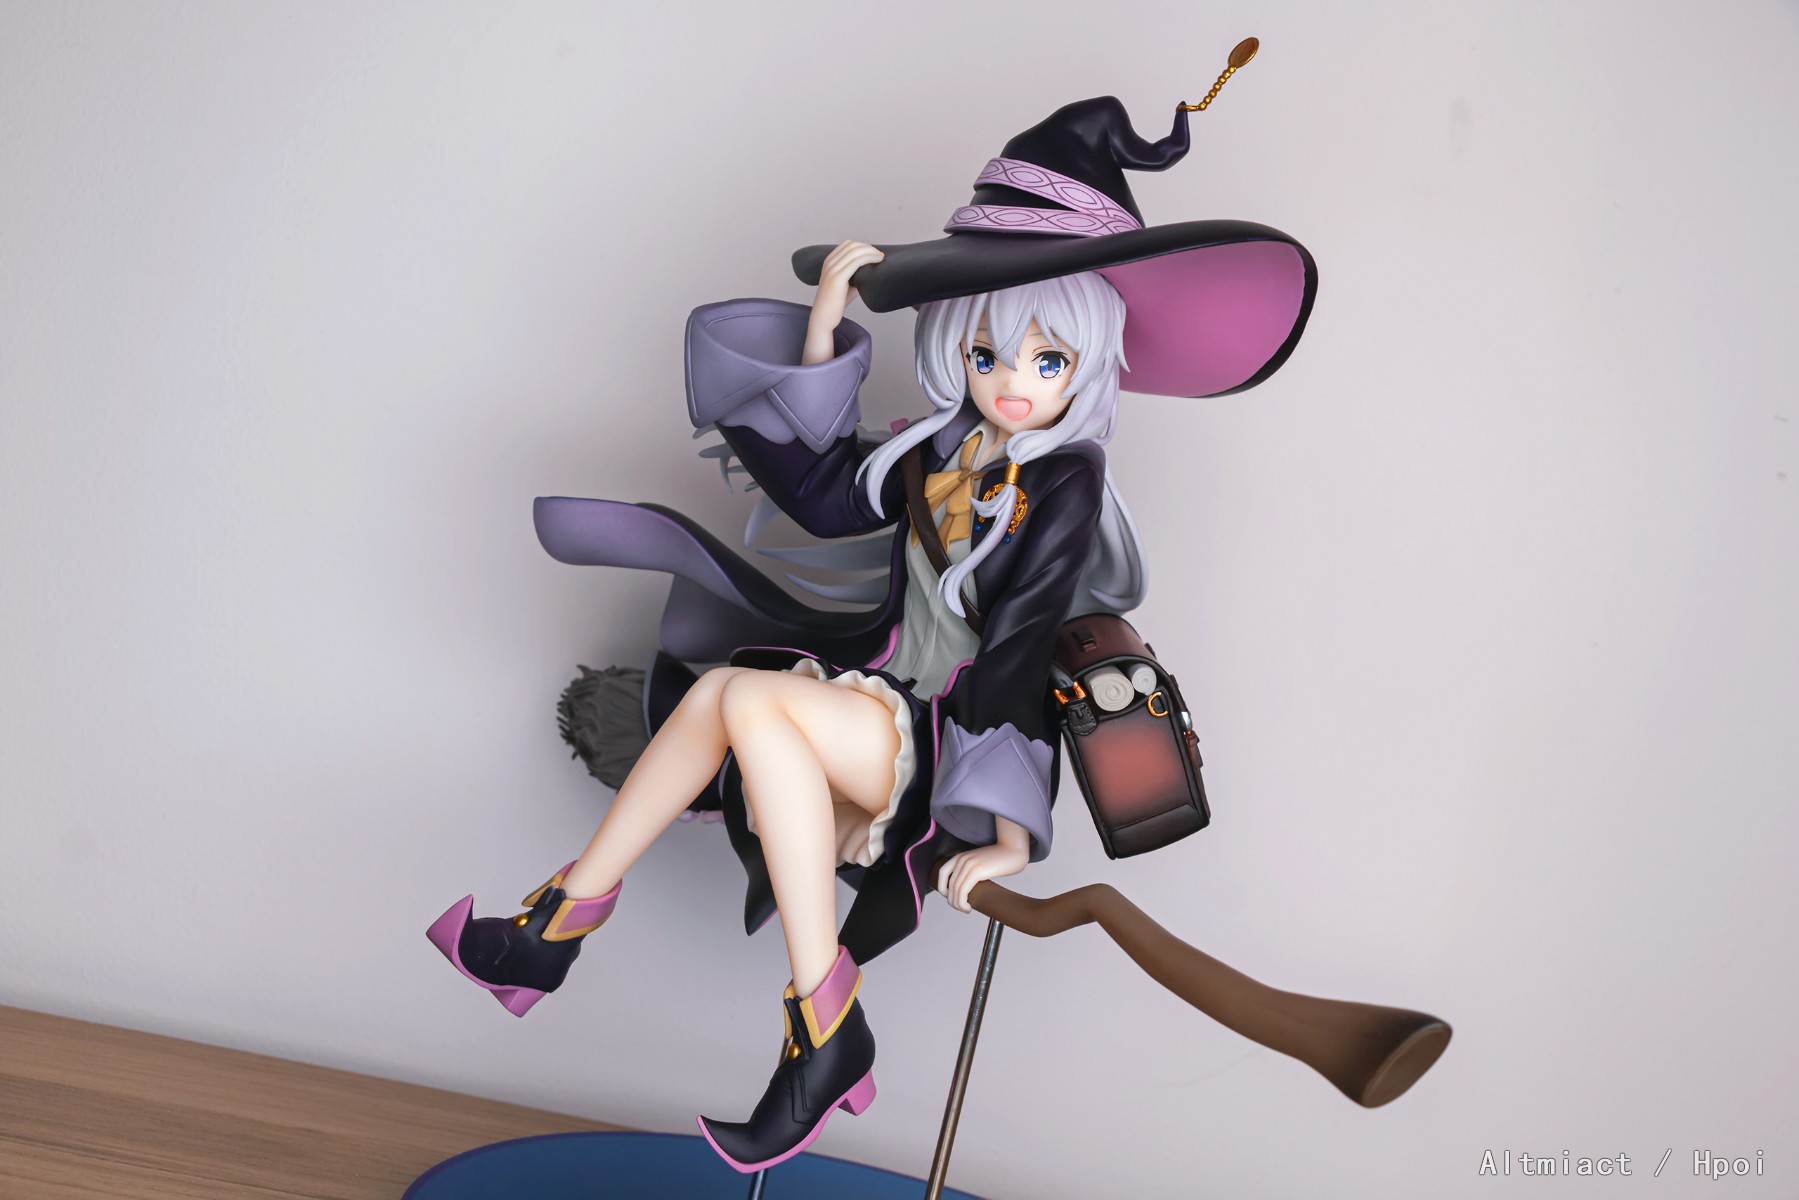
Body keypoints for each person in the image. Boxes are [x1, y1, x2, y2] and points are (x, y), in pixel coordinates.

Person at [427, 95, 1317, 1173]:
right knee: (721, 695)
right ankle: (682, 977)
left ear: (1088, 365)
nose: (1012, 384)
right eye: (988, 354)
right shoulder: (934, 450)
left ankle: (664, 967)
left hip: (941, 746)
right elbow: (816, 494)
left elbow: (1017, 647)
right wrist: (822, 327)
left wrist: (1007, 828)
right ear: (955, 347)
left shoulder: (1067, 484)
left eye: (1047, 362)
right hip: (877, 700)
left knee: (744, 698)